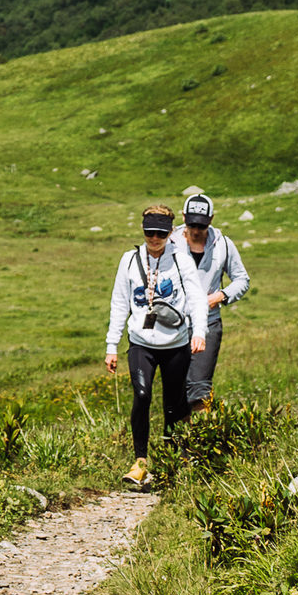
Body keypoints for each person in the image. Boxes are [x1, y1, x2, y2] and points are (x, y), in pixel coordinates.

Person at [105, 203, 195, 488]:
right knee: (142, 394)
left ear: (170, 233)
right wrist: (111, 345)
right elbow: (120, 303)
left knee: (173, 404)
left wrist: (198, 331)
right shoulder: (129, 260)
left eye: (160, 233)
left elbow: (194, 299)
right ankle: (140, 461)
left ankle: (172, 459)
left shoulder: (181, 260)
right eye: (149, 233)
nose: (154, 239)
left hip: (175, 342)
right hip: (141, 340)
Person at [177, 190, 249, 414]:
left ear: (211, 220)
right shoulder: (170, 242)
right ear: (183, 218)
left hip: (209, 324)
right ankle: (176, 444)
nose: (196, 231)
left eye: (202, 226)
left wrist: (220, 296)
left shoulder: (223, 245)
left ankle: (200, 442)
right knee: (176, 390)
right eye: (192, 225)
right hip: (174, 325)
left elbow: (242, 279)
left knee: (199, 388)